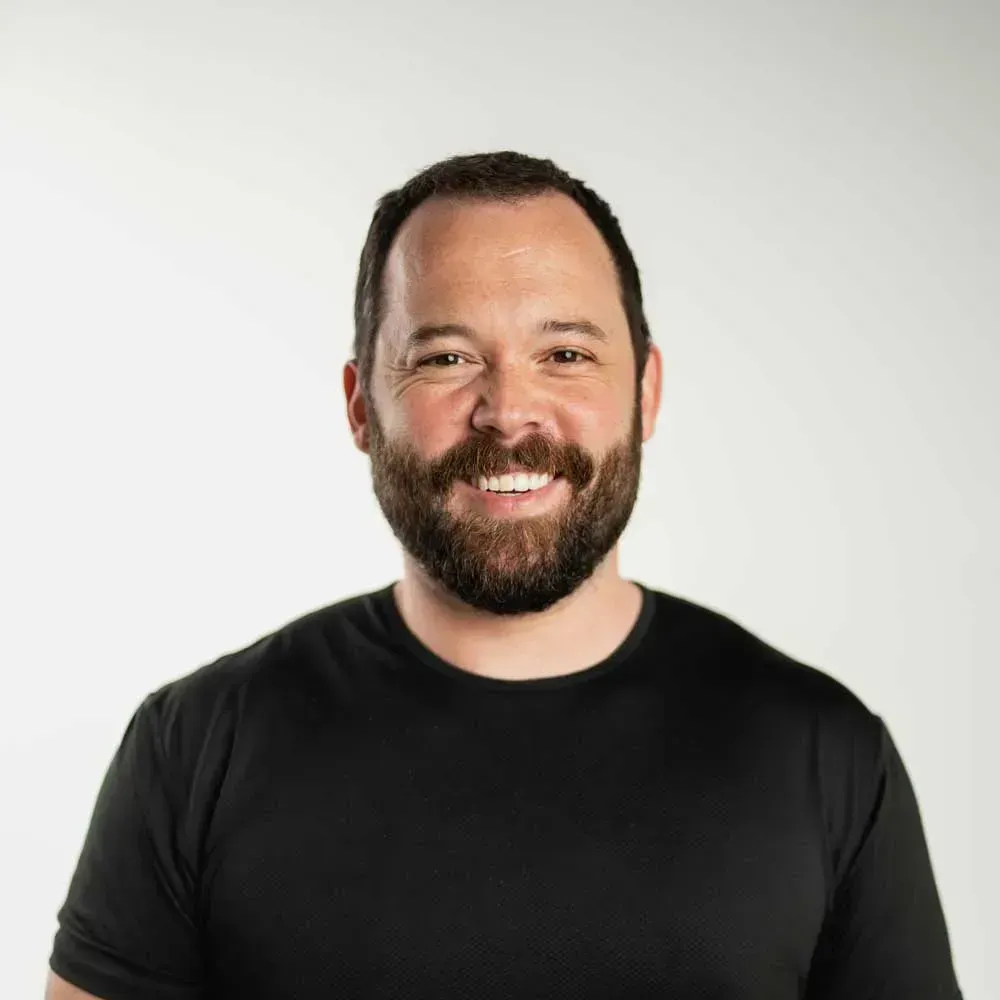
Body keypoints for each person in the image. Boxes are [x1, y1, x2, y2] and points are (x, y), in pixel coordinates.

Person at [46, 150, 964, 999]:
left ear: (644, 393)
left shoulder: (826, 756)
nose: (509, 410)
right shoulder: (196, 749)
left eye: (565, 354)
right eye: (447, 358)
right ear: (362, 405)